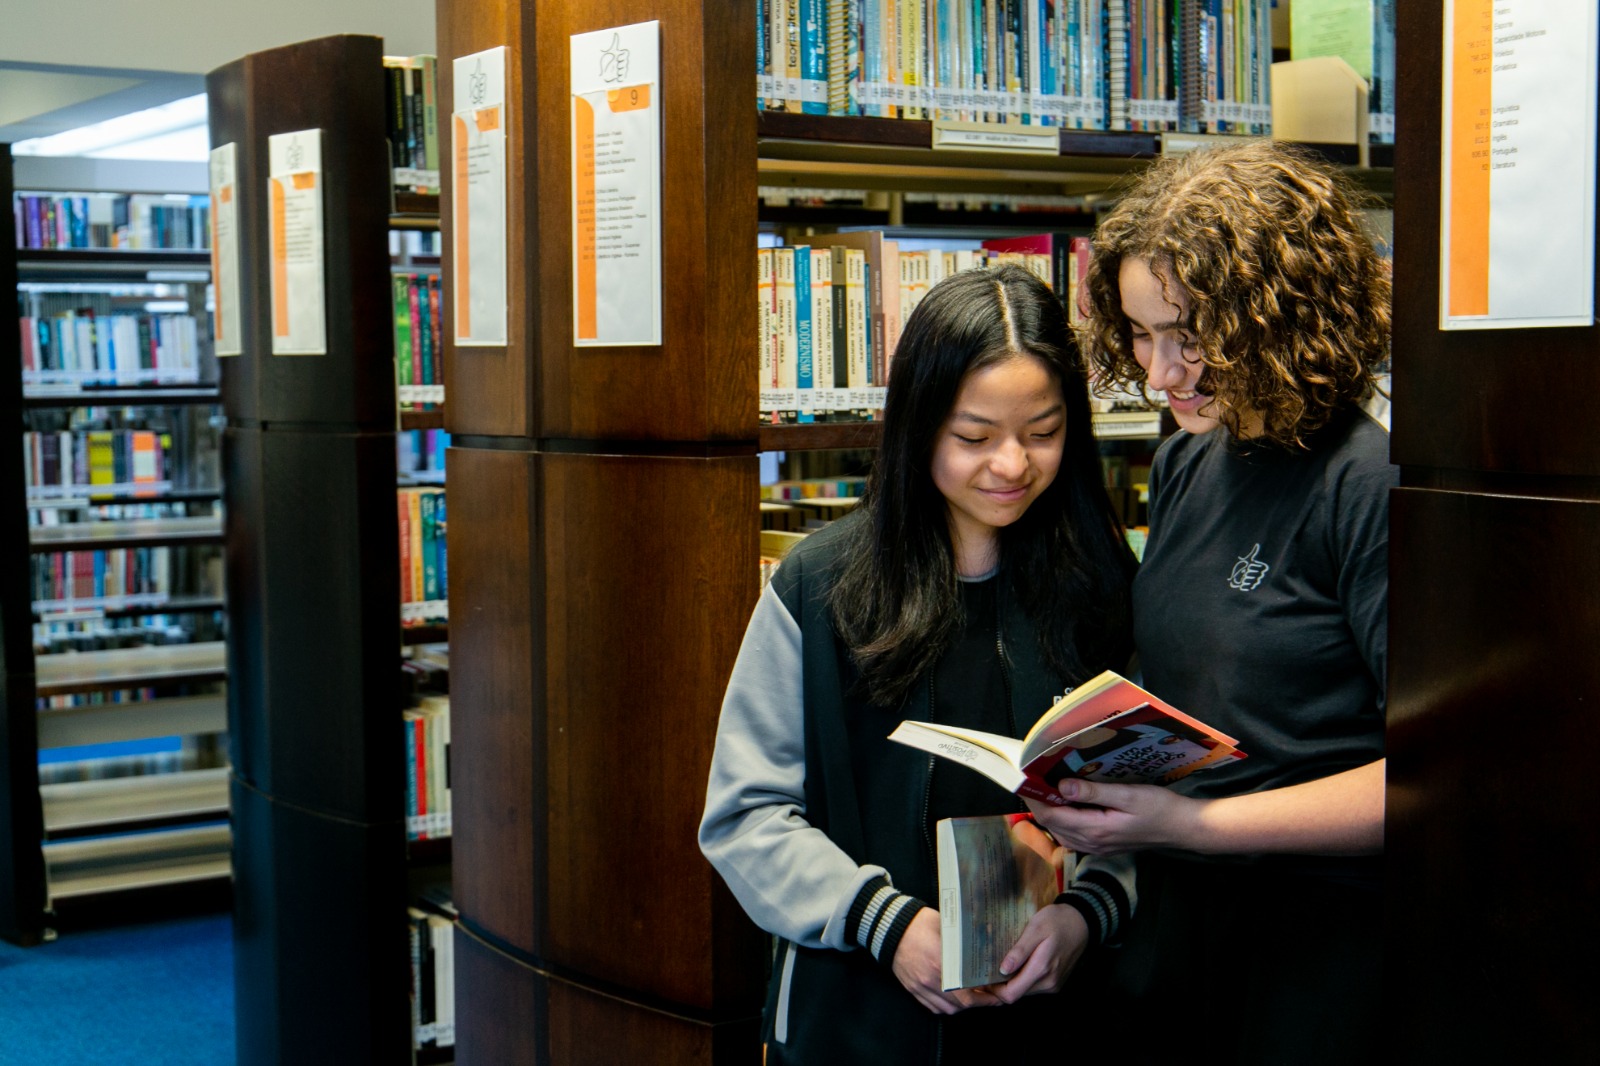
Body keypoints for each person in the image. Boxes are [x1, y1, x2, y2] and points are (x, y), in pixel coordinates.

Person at [700, 264, 1138, 1064]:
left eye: (1043, 432)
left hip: (1052, 1015)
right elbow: (745, 816)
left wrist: (1089, 912)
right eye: (974, 437)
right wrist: (885, 922)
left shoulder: (1101, 588)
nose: (1012, 465)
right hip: (857, 1018)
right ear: (917, 426)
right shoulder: (818, 585)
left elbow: (1141, 804)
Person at [1027, 140, 1394, 1062]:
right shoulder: (1191, 455)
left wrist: (1194, 824)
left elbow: (1436, 778)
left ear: (1283, 314)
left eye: (1190, 335)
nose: (1161, 373)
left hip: (1325, 945)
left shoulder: (1370, 484)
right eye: (1142, 334)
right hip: (1178, 921)